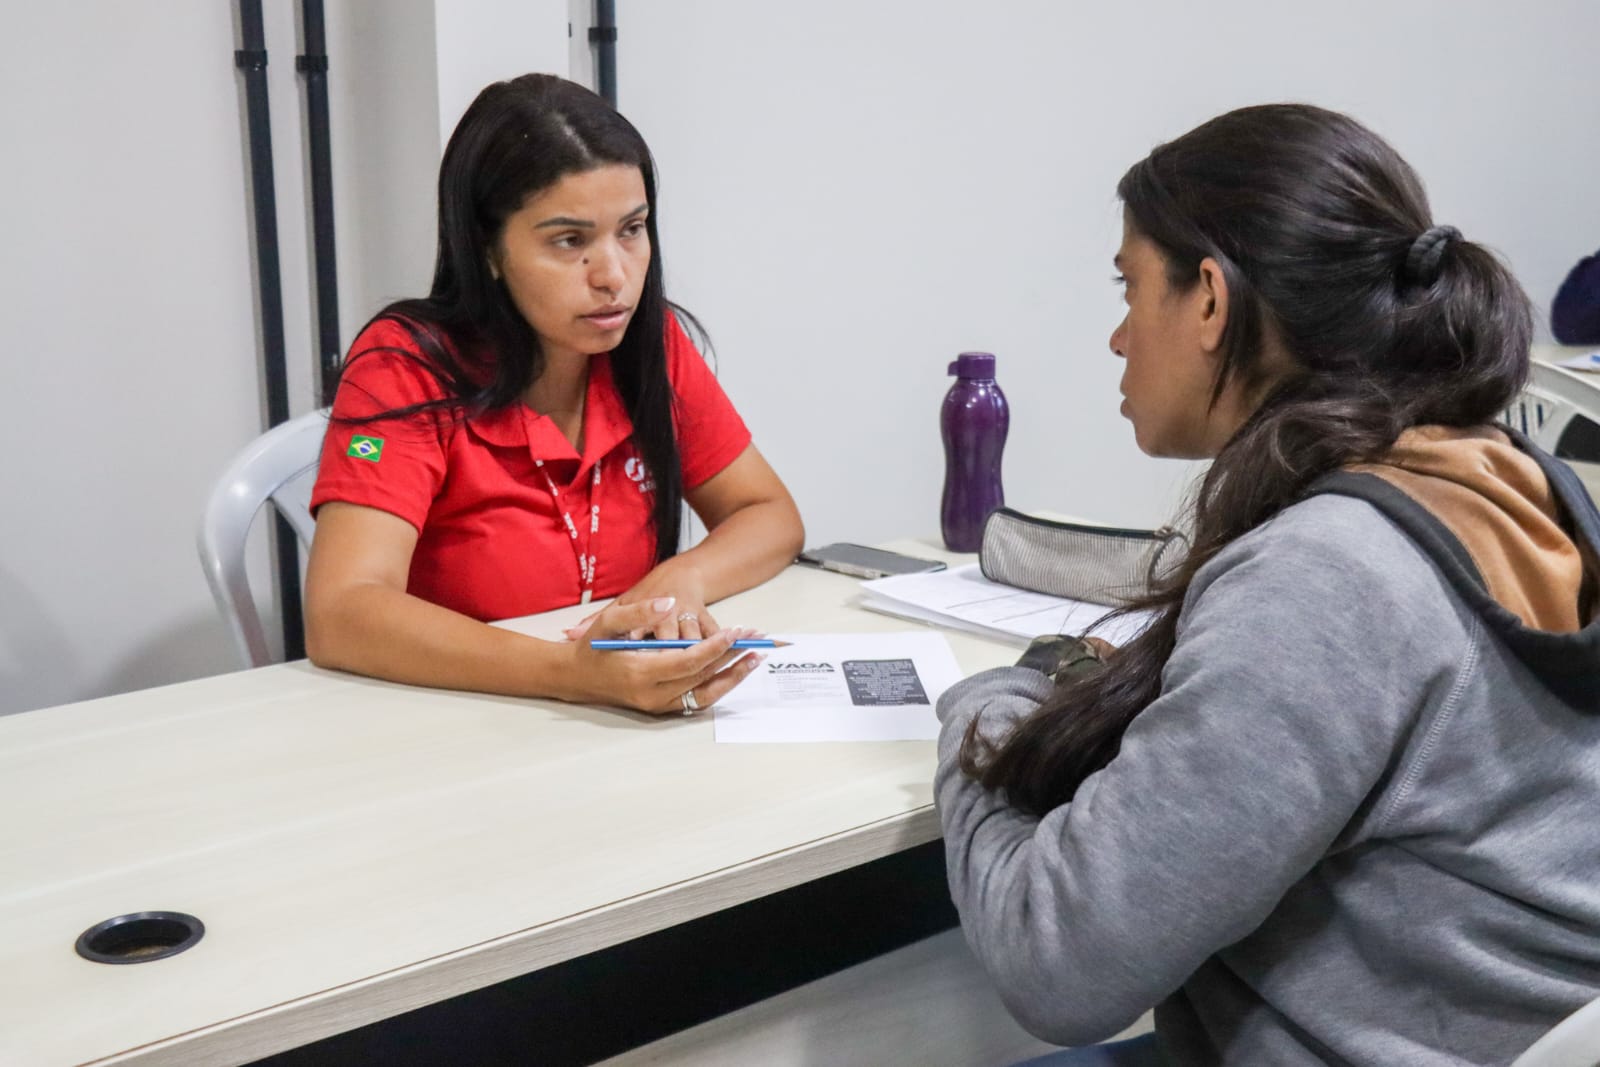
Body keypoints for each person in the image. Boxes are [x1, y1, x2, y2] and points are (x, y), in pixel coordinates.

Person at [935, 103, 1600, 1065]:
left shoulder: (1328, 575)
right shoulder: (1517, 482)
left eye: (1130, 288)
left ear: (1210, 300)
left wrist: (984, 709)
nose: (1119, 337)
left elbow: (1056, 960)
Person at [305, 74, 804, 713]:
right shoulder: (406, 364)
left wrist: (682, 578)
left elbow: (769, 514)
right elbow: (341, 612)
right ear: (487, 249)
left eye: (632, 229)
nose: (614, 276)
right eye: (570, 241)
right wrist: (573, 674)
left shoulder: (648, 344)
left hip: (607, 717)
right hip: (455, 715)